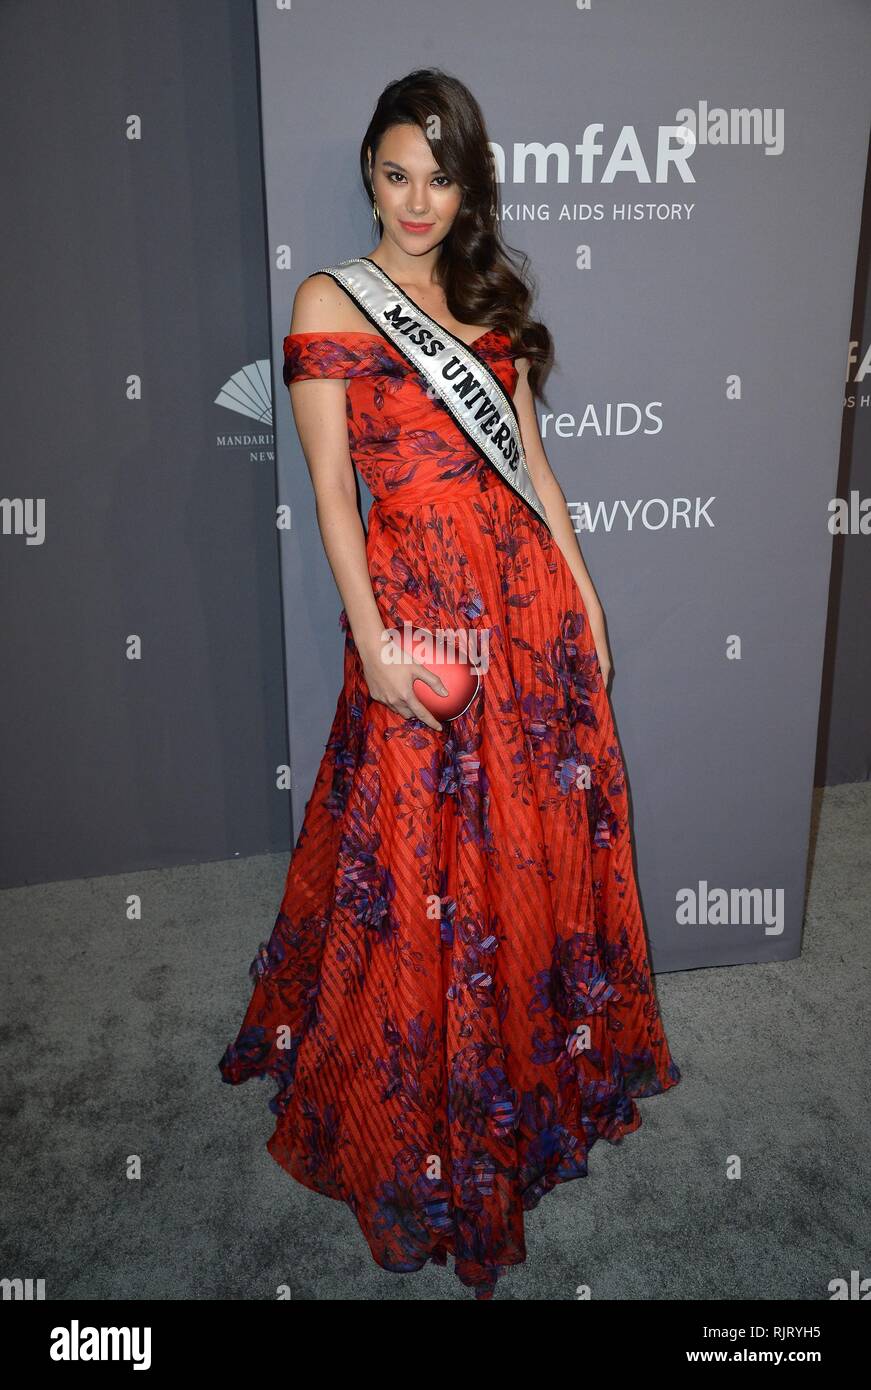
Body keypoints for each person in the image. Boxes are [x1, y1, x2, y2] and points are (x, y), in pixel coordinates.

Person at [219, 67, 681, 1301]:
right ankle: (419, 1103)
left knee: (526, 849)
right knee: (420, 859)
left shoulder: (485, 300)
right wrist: (370, 645)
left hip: (524, 602)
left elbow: (530, 460)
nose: (416, 200)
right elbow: (329, 492)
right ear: (369, 172)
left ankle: (532, 1072)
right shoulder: (332, 297)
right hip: (423, 612)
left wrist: (580, 595)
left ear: (468, 186)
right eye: (395, 171)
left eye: (441, 176)